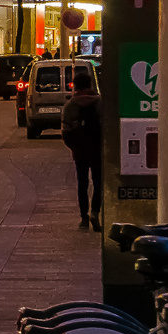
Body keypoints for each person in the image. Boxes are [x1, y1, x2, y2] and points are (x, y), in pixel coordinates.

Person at [62, 72, 104, 230]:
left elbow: (65, 131)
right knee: (98, 182)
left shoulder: (70, 105)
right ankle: (95, 212)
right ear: (90, 85)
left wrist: (74, 146)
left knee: (82, 184)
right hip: (97, 149)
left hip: (80, 152)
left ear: (76, 86)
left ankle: (84, 218)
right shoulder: (100, 102)